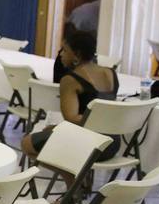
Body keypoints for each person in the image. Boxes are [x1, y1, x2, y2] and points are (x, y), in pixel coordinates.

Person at [23, 30, 119, 159]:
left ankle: (74, 178)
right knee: (50, 133)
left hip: (89, 144)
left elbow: (71, 119)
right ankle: (77, 177)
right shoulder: (110, 73)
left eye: (65, 50)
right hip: (112, 143)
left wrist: (57, 128)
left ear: (77, 54)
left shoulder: (70, 80)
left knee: (27, 144)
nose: (61, 54)